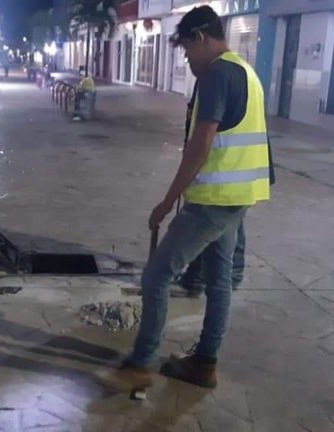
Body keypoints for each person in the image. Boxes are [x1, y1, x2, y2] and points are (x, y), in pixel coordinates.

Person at [104, 6, 271, 390]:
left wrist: (166, 202)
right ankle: (205, 363)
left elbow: (201, 145)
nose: (185, 58)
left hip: (214, 200)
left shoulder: (215, 74)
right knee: (219, 281)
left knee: (156, 277)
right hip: (239, 197)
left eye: (185, 49)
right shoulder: (246, 71)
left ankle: (142, 362)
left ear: (200, 38)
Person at [178, 82, 277, 296]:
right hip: (233, 168)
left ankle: (212, 275)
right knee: (226, 223)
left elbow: (206, 132)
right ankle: (210, 275)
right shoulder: (227, 76)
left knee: (221, 224)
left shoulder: (218, 77)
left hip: (231, 168)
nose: (188, 58)